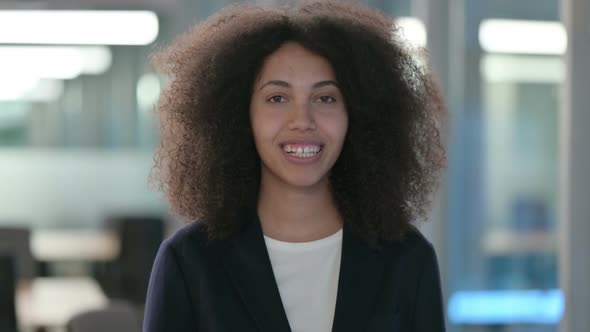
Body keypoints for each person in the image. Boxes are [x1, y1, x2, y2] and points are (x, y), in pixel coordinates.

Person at [144, 1, 446, 331]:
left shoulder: (407, 260)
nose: (302, 121)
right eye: (277, 98)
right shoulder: (189, 262)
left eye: (326, 98)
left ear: (357, 116)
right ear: (239, 116)